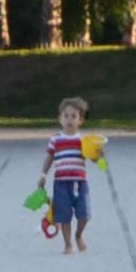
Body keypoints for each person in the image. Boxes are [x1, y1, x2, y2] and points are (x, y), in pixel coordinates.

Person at [42, 98, 95, 253]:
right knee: (64, 216)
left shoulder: (83, 140)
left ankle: (78, 235)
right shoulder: (55, 139)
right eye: (66, 115)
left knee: (84, 214)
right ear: (60, 119)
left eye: (74, 116)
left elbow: (93, 158)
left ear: (81, 120)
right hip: (61, 183)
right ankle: (68, 243)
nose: (69, 119)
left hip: (80, 182)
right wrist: (43, 175)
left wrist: (98, 154)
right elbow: (49, 157)